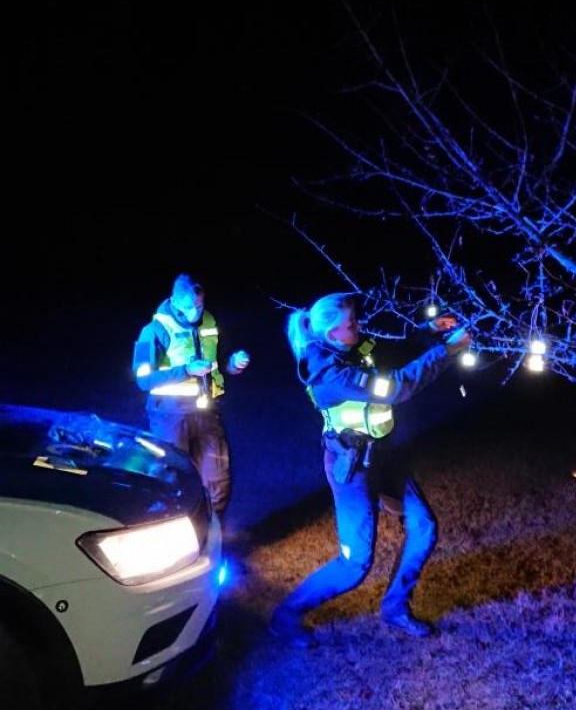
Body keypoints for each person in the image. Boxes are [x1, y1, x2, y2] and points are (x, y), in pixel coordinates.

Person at [269, 291, 471, 647]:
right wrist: (448, 351)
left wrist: (429, 329)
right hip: (351, 469)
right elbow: (396, 387)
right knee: (355, 565)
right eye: (351, 323)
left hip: (383, 456)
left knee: (423, 526)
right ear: (332, 333)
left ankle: (395, 608)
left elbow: (393, 349)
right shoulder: (330, 373)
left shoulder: (351, 346)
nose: (358, 325)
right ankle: (285, 616)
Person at [132, 273, 250, 534]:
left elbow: (223, 360)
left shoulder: (210, 322)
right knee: (173, 479)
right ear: (174, 301)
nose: (195, 312)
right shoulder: (153, 331)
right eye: (188, 307)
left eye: (199, 305)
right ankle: (177, 537)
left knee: (218, 478)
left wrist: (235, 363)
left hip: (207, 412)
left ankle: (213, 536)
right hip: (170, 416)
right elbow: (143, 379)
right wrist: (186, 370)